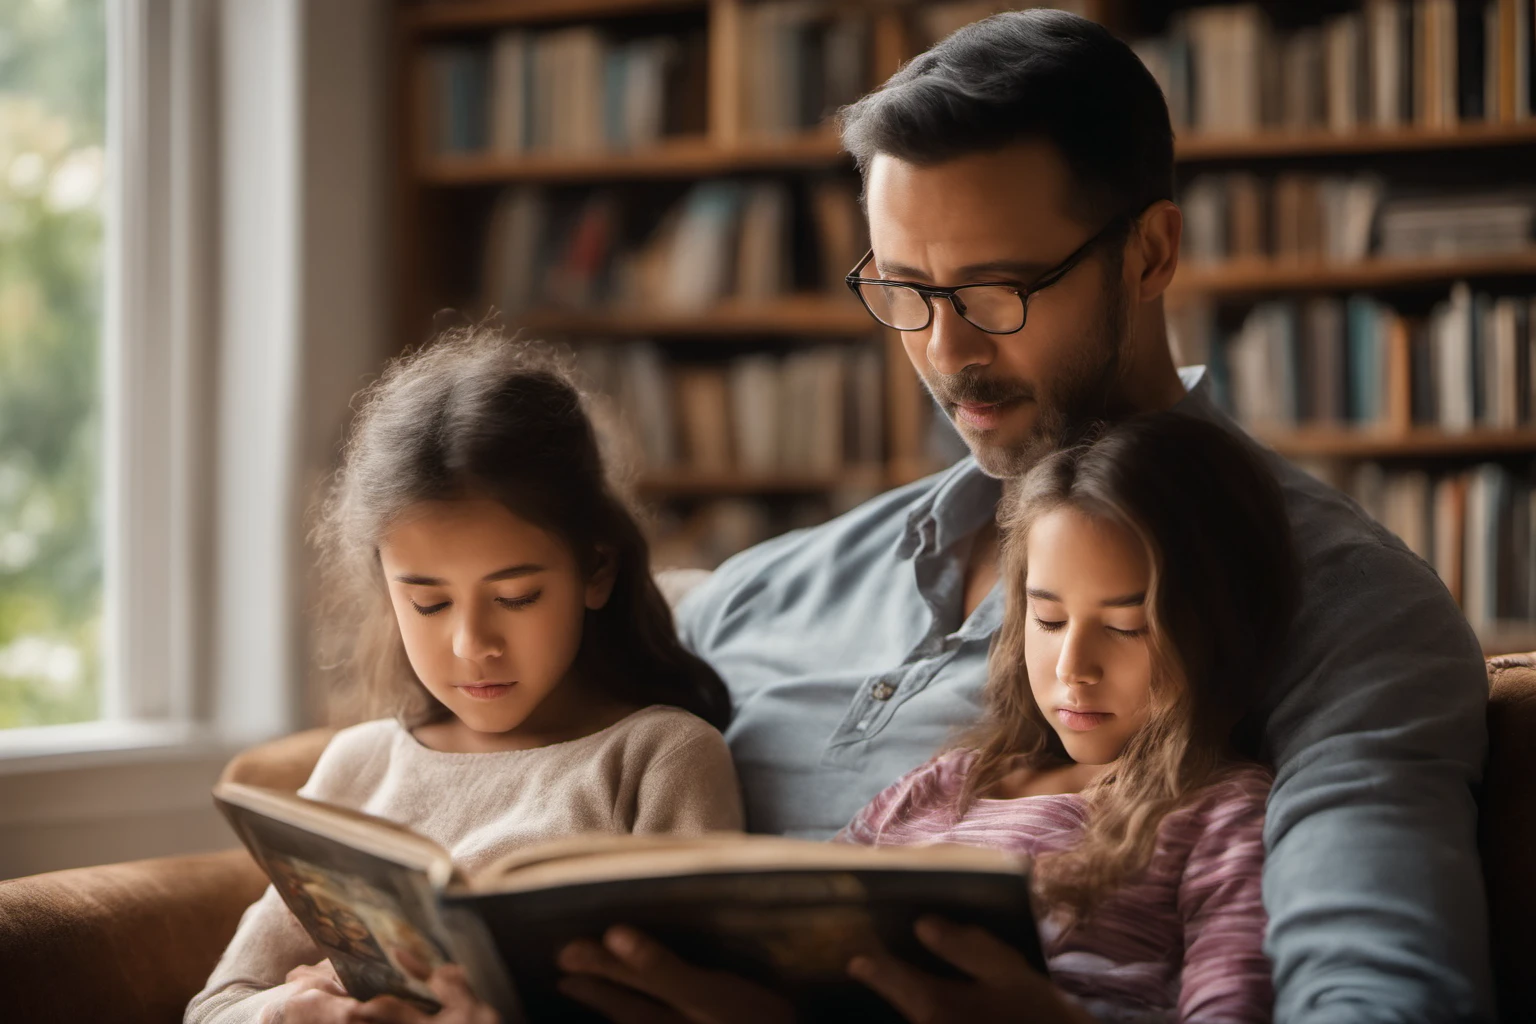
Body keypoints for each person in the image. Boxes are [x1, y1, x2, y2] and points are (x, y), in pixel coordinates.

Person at [559, 10, 1492, 1024]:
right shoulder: (762, 590)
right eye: (905, 290)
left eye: (995, 291)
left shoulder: (1346, 605)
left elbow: (1379, 1005)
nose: (945, 348)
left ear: (1149, 252)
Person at [185, 329, 743, 1024]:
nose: (471, 644)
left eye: (516, 598)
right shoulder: (357, 767)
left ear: (595, 568)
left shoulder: (660, 759)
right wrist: (297, 1013)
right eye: (428, 602)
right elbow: (214, 1008)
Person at [839, 413, 1296, 1023]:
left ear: (1221, 632)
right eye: (1049, 621)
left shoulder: (1217, 815)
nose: (1074, 667)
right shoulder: (942, 785)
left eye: (1125, 627)